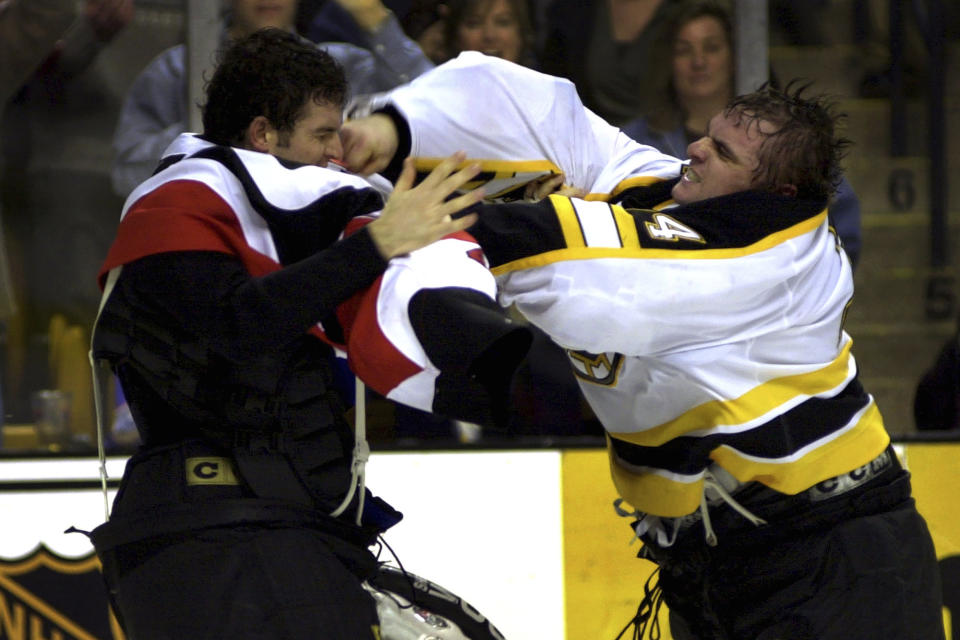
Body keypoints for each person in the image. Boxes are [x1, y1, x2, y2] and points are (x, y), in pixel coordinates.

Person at [339, 54, 946, 639]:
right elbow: (545, 117)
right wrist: (391, 130)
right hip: (721, 554)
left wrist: (392, 226)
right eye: (708, 135)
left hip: (836, 556)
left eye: (722, 152)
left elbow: (589, 278)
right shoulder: (669, 196)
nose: (695, 150)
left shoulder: (771, 264)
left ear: (772, 195)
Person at [87, 28, 526, 638]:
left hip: (272, 531)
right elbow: (237, 327)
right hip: (210, 543)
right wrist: (379, 243)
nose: (336, 154)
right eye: (323, 135)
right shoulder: (175, 206)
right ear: (264, 134)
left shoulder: (276, 219)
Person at [620, 0, 862, 269]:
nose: (698, 62)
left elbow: (841, 233)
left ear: (736, 54)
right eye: (683, 50)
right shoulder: (630, 139)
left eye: (711, 48)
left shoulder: (789, 143)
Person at [109, 0, 433, 197]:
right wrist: (223, 124)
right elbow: (126, 173)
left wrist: (372, 15)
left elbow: (433, 99)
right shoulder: (177, 70)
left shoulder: (339, 66)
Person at [539, 0, 677, 125]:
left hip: (671, 139)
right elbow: (553, 90)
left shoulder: (687, 8)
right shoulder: (573, 9)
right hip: (585, 137)